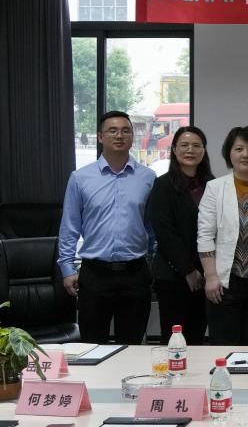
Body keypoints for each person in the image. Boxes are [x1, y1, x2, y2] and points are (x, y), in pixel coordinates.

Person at [58, 110, 156, 344]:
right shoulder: (80, 178)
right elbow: (70, 227)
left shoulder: (148, 177)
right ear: (100, 137)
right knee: (92, 345)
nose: (119, 136)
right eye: (112, 131)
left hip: (135, 273)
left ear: (132, 137)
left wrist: (153, 264)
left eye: (125, 131)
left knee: (132, 346)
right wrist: (67, 269)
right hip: (95, 274)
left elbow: (152, 227)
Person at [198, 126, 248, 345]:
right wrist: (211, 276)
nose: (245, 154)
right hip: (226, 281)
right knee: (225, 344)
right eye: (239, 149)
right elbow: (205, 235)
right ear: (229, 153)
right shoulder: (215, 188)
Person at [146, 125, 214, 345]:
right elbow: (165, 233)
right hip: (173, 276)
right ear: (174, 150)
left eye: (196, 145)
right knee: (174, 339)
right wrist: (188, 270)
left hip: (207, 274)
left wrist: (208, 271)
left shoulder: (212, 184)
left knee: (197, 337)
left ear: (204, 150)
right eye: (184, 145)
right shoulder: (162, 185)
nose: (190, 150)